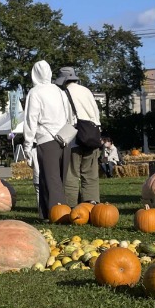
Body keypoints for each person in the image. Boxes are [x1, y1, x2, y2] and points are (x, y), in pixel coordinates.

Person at [22, 60, 73, 219]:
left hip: (46, 139)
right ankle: (46, 212)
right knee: (58, 179)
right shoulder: (60, 91)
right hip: (65, 139)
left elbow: (31, 120)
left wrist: (27, 145)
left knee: (50, 180)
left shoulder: (35, 92)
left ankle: (58, 215)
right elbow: (70, 116)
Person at [56, 66, 102, 205]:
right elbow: (96, 114)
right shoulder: (86, 91)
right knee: (90, 174)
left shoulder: (63, 93)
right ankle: (91, 203)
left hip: (75, 138)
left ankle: (71, 205)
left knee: (72, 174)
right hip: (92, 136)